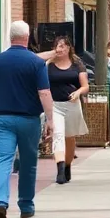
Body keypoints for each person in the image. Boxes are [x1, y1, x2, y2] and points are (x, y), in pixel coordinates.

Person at [0, 21, 55, 218]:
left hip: (2, 118)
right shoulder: (36, 62)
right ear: (27, 37)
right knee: (29, 163)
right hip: (29, 120)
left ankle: (1, 202)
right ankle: (26, 205)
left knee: (3, 160)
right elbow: (44, 92)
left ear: (10, 37)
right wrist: (50, 119)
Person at [39, 36, 90, 185]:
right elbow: (37, 62)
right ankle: (60, 170)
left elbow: (85, 85)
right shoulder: (49, 64)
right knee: (58, 135)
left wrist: (78, 92)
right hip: (55, 105)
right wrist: (51, 56)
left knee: (70, 138)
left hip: (72, 105)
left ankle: (67, 166)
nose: (60, 49)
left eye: (63, 46)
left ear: (68, 48)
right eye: (57, 46)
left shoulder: (77, 64)